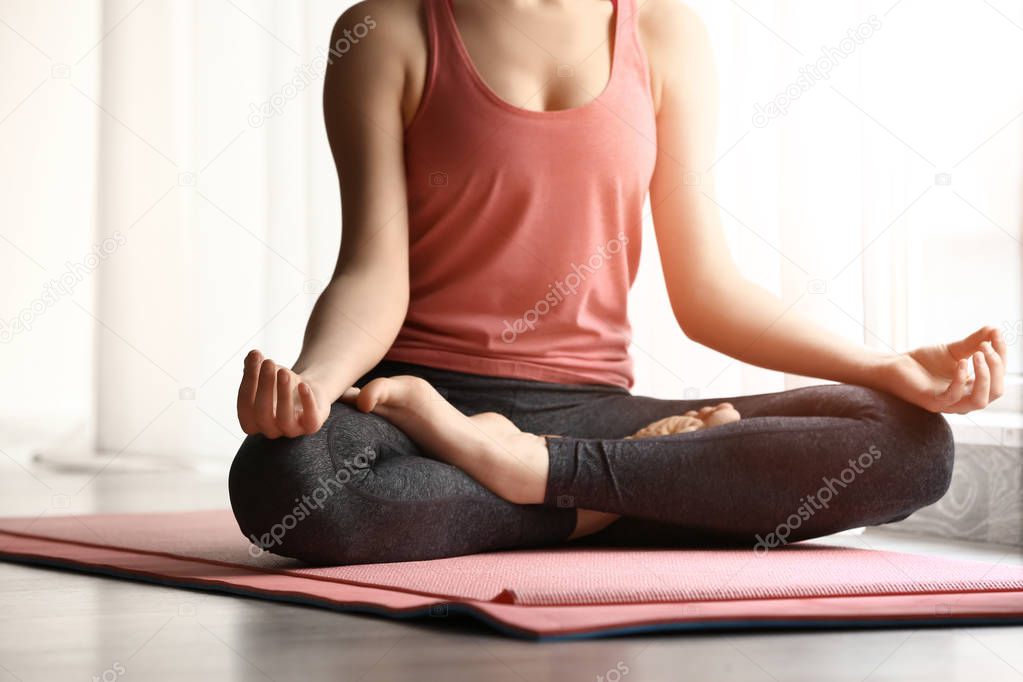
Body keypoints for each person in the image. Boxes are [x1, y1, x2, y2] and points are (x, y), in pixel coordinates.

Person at [228, 0, 1006, 565]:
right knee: (286, 478)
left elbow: (708, 293)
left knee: (908, 444)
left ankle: (544, 477)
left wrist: (885, 367)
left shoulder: (664, 34)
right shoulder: (384, 32)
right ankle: (617, 498)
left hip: (593, 417)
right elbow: (372, 270)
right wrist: (313, 387)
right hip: (415, 412)